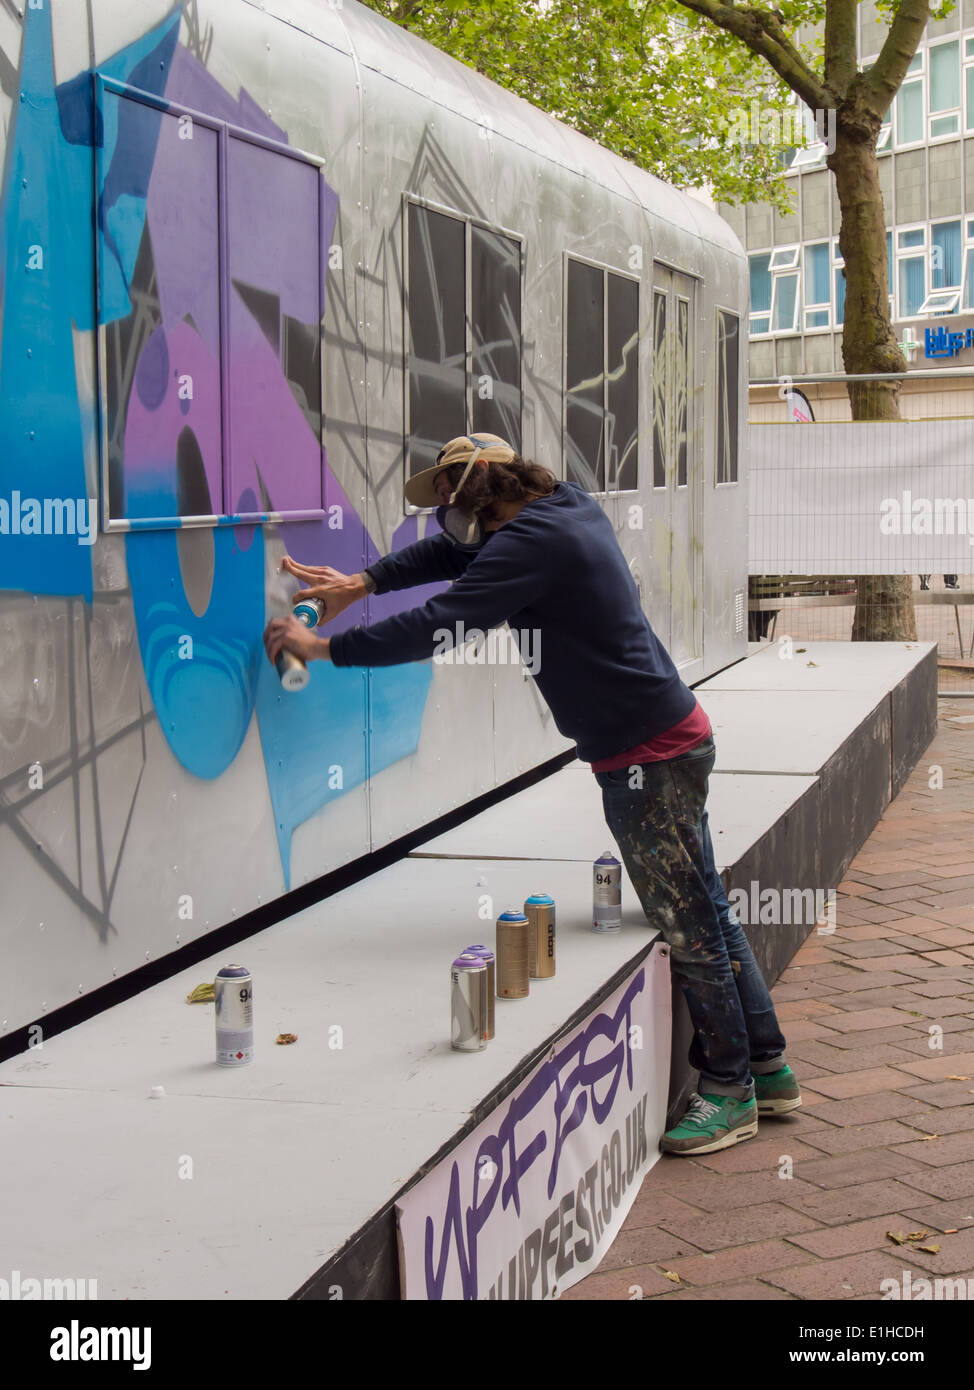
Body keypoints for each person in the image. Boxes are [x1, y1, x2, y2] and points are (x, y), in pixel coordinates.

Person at [263, 433, 801, 1155]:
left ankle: (730, 1090)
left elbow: (440, 621)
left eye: (456, 500)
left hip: (645, 760)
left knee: (690, 927)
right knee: (708, 905)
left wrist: (325, 649)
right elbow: (449, 557)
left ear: (486, 488)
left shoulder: (526, 546)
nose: (451, 518)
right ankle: (767, 1066)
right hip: (672, 737)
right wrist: (361, 584)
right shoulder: (563, 508)